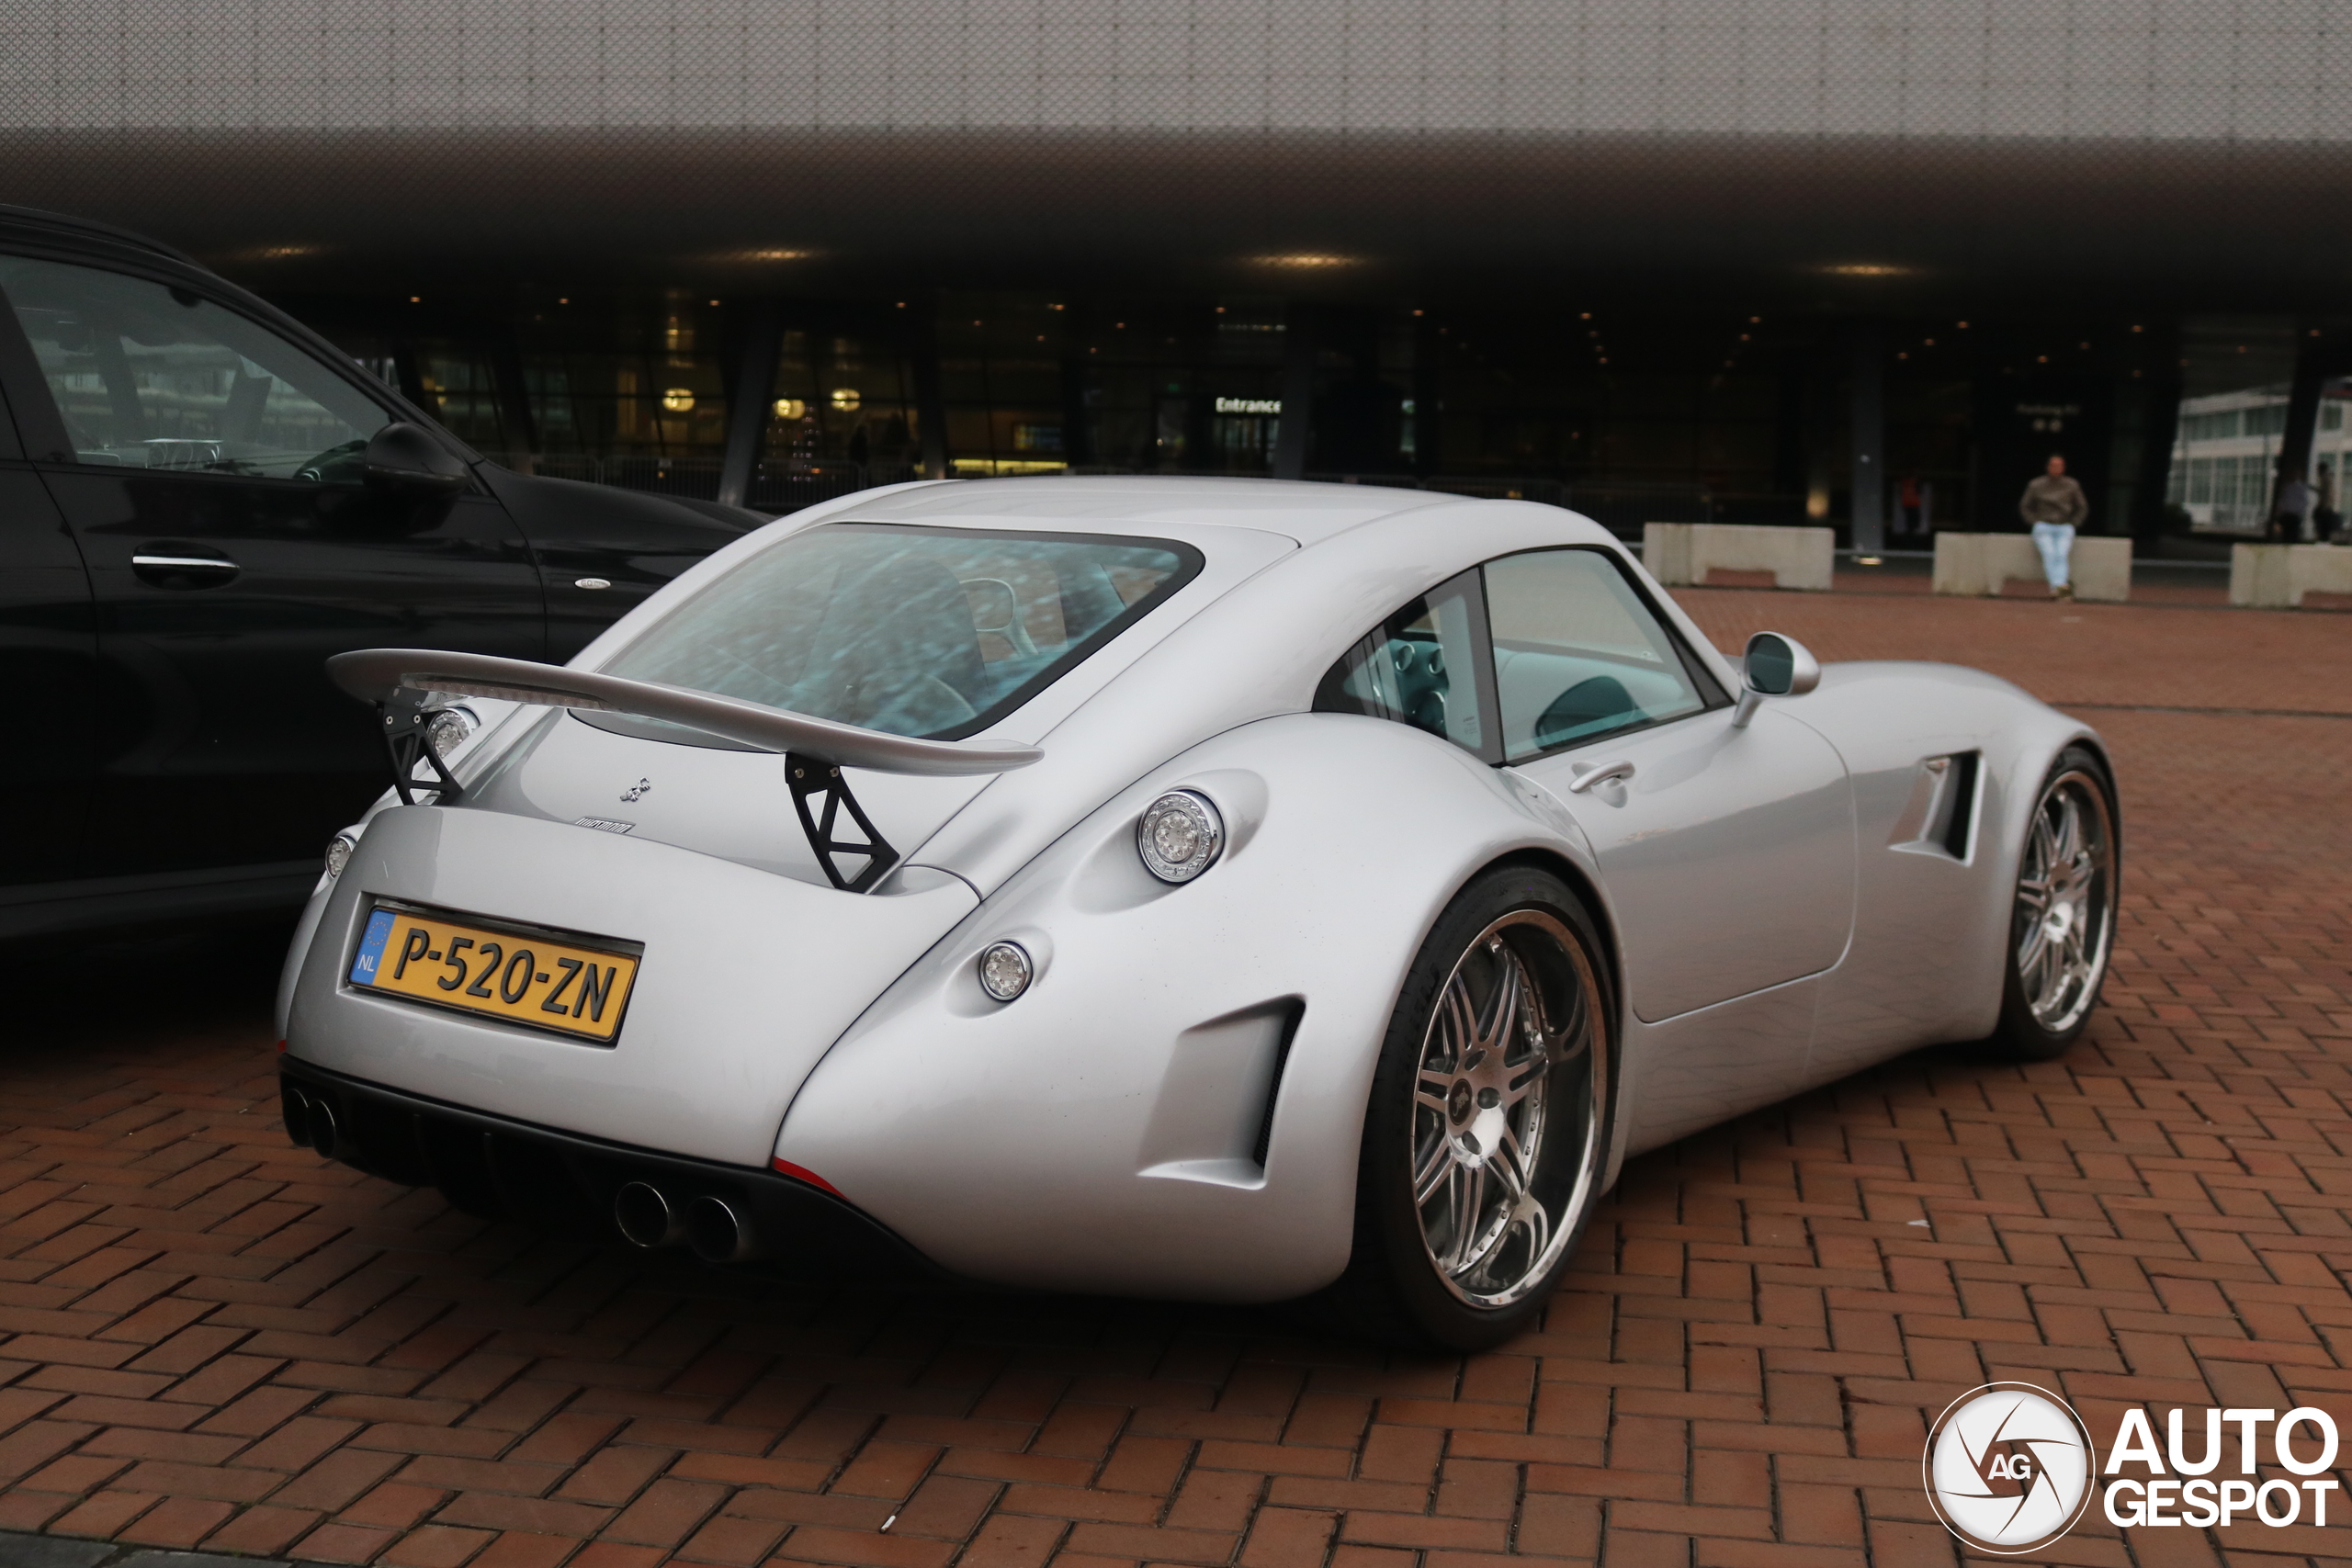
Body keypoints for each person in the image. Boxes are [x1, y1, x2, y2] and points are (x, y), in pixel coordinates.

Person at [2018, 454, 2088, 600]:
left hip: (2064, 526)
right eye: (2054, 465)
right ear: (2048, 467)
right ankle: (2060, 587)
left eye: (2059, 466)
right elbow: (2025, 506)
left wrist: (2074, 522)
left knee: (2061, 554)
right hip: (2044, 525)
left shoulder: (2071, 485)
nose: (2056, 468)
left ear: (2063, 468)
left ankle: (2058, 588)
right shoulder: (2036, 485)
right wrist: (2034, 521)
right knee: (2049, 553)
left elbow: (2082, 506)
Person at [2271, 470, 2314, 542]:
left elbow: (2304, 501)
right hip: (2286, 514)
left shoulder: (2300, 487)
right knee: (2286, 535)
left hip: (2295, 515)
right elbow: (2282, 500)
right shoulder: (2286, 487)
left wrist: (2299, 510)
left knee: (2294, 534)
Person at [2312, 460, 2339, 544]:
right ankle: (2323, 538)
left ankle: (2323, 539)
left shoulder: (2326, 478)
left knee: (2321, 523)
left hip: (2325, 507)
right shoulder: (2328, 478)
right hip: (2326, 506)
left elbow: (2327, 494)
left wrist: (2324, 506)